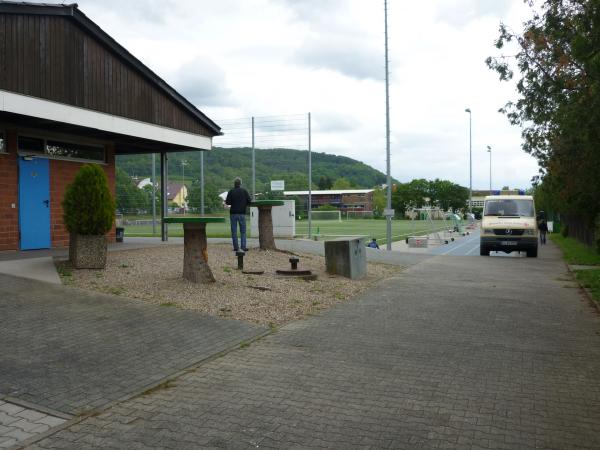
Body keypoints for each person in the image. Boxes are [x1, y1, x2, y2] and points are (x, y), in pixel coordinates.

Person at [225, 177, 252, 252]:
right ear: (240, 183)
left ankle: (236, 247)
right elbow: (249, 201)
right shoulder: (244, 191)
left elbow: (227, 202)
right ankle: (243, 247)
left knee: (234, 231)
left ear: (234, 183)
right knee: (243, 231)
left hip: (233, 213)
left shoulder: (231, 191)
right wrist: (244, 203)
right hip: (242, 213)